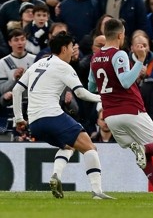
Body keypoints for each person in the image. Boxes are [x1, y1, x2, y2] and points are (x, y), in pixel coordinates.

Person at [12, 31, 113, 199]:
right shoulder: (63, 66)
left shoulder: (38, 63)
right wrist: (104, 98)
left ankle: (56, 176)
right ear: (64, 48)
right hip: (52, 116)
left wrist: (18, 118)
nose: (74, 51)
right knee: (90, 147)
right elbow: (80, 93)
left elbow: (16, 90)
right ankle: (97, 192)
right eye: (72, 48)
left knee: (68, 146)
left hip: (35, 123)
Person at [88, 18, 153, 200]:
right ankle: (143, 150)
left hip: (110, 116)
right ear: (120, 35)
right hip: (131, 110)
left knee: (144, 154)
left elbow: (91, 87)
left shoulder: (95, 58)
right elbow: (126, 82)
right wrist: (140, 61)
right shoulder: (119, 55)